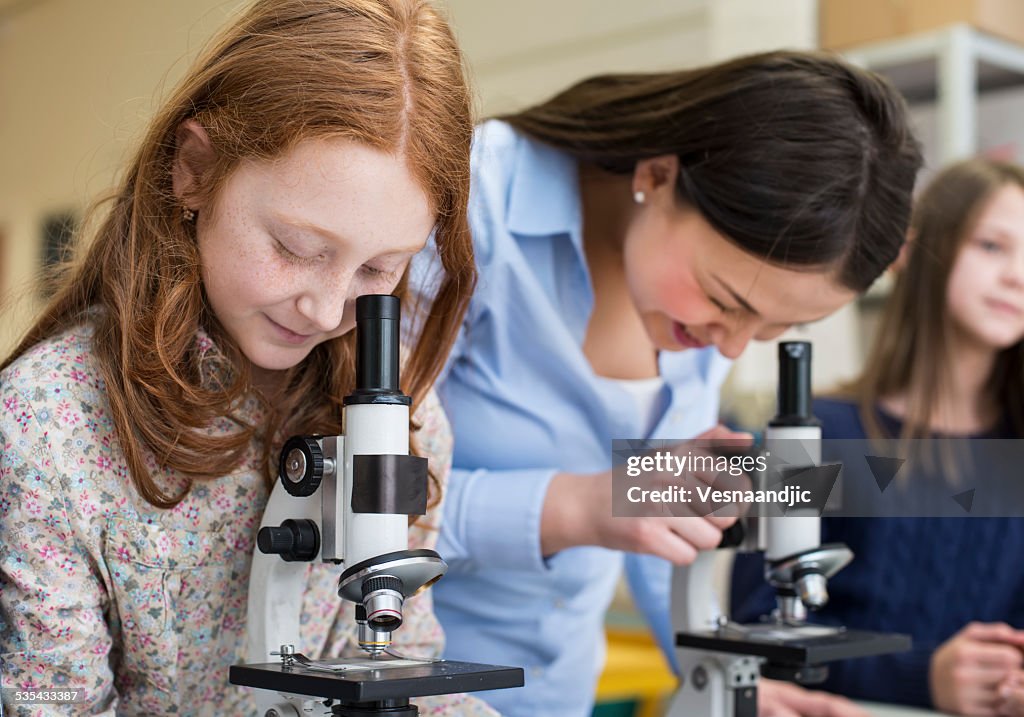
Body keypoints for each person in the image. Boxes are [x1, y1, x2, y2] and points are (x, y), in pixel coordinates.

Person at [0, 1, 496, 715]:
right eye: (296, 248)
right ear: (194, 170)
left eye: (379, 269)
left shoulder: (407, 410)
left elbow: (402, 654)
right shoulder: (47, 426)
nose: (328, 312)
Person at [410, 51, 923, 717]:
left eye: (777, 326)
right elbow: (358, 502)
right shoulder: (474, 202)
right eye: (726, 298)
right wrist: (583, 505)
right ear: (656, 175)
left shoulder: (700, 319)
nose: (734, 343)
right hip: (405, 680)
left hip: (557, 694)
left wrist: (727, 682)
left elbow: (661, 534)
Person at [732, 158, 1024, 715]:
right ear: (914, 253)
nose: (1018, 274)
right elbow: (753, 635)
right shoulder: (818, 434)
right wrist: (924, 678)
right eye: (992, 246)